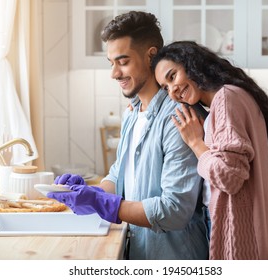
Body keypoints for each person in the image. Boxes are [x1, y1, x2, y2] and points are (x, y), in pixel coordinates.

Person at [48, 12, 209, 260]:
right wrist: (93, 193)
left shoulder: (179, 118)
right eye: (111, 63)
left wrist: (106, 205)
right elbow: (120, 175)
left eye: (123, 62)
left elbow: (175, 210)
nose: (114, 73)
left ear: (151, 56)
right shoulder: (133, 113)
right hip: (140, 252)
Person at [151, 40, 268, 260]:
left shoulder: (226, 99)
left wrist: (196, 143)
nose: (173, 91)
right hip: (257, 235)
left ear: (192, 64)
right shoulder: (231, 96)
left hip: (246, 240)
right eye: (165, 87)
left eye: (172, 77)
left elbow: (229, 178)